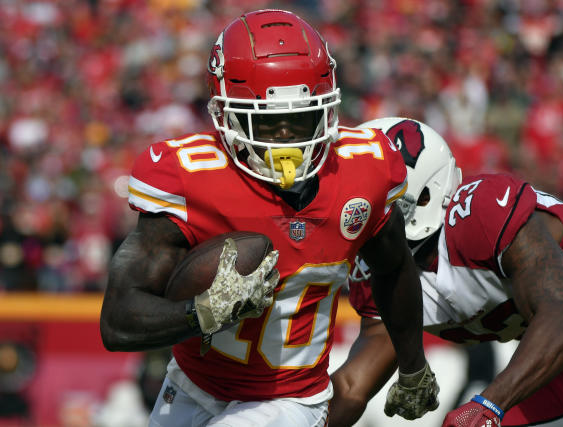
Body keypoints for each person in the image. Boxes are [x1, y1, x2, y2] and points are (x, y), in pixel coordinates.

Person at [99, 11, 437, 427]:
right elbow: (117, 322)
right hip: (193, 385)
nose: (286, 139)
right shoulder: (188, 178)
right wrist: (202, 312)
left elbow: (394, 267)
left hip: (291, 398)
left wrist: (413, 364)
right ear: (225, 114)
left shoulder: (365, 169)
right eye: (268, 121)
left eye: (301, 119)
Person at [337, 117, 563, 426]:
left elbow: (560, 323)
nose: (350, 210)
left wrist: (488, 405)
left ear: (422, 194)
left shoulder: (480, 212)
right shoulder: (377, 272)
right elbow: (352, 387)